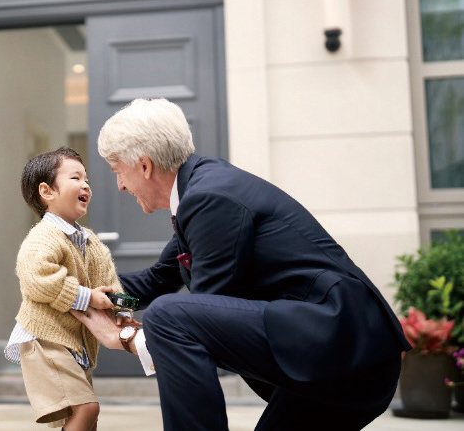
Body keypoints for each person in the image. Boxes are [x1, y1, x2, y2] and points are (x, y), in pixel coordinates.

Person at [71, 98, 412, 431]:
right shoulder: (201, 193)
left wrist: (126, 336)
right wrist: (79, 292)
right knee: (171, 313)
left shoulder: (211, 197)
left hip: (340, 349)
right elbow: (157, 280)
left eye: (118, 171)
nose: (119, 185)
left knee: (167, 315)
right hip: (332, 364)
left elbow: (195, 319)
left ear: (144, 166)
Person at [5, 147, 137, 431]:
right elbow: (37, 278)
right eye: (76, 178)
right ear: (47, 191)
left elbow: (108, 281)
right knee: (86, 408)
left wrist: (120, 311)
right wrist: (88, 297)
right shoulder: (43, 237)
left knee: (84, 417)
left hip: (73, 344)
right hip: (44, 340)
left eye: (86, 179)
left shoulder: (89, 240)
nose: (86, 184)